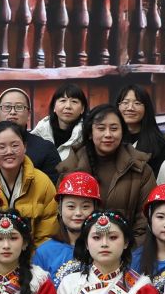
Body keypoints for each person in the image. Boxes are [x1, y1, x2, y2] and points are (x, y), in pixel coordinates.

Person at [59, 104, 156, 244]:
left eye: (114, 129)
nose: (108, 134)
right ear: (90, 133)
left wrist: (127, 251)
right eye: (101, 128)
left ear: (122, 132)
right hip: (78, 249)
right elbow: (61, 217)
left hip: (128, 250)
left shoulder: (140, 169)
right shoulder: (71, 168)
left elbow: (145, 220)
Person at [0, 121, 61, 241]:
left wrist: (33, 253)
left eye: (15, 145)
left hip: (32, 251)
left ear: (25, 147)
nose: (9, 151)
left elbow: (48, 231)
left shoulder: (42, 182)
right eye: (1, 147)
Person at [0, 88, 62, 174]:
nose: (12, 112)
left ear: (29, 115)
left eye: (19, 107)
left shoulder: (45, 148)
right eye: (7, 107)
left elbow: (52, 186)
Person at [35, 171, 99, 277]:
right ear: (59, 209)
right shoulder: (44, 252)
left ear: (95, 209)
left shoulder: (104, 248)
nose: (78, 213)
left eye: (85, 207)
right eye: (71, 206)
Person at [114, 82, 165, 173]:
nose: (130, 108)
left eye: (137, 103)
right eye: (125, 102)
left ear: (146, 108)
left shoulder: (160, 144)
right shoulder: (111, 139)